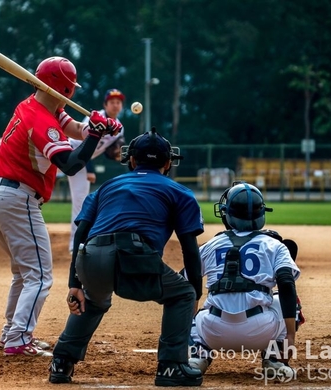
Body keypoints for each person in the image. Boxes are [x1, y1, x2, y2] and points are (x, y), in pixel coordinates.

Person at [0, 56, 122, 358]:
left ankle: (11, 333)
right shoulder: (41, 120)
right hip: (15, 199)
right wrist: (94, 135)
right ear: (66, 90)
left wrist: (97, 128)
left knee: (24, 272)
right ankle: (18, 339)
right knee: (40, 275)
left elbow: (71, 127)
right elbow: (70, 165)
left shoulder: (36, 105)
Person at [48, 128, 205, 387]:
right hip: (135, 255)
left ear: (131, 160)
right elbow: (190, 249)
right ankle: (171, 367)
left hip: (91, 257)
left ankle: (61, 362)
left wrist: (74, 284)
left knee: (92, 300)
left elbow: (81, 235)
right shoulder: (179, 192)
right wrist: (195, 293)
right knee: (182, 294)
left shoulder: (107, 187)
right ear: (167, 163)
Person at [186, 182, 304, 377]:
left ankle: (198, 355)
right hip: (261, 332)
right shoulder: (274, 245)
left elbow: (187, 282)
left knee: (190, 308)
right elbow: (286, 284)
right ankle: (274, 359)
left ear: (227, 213)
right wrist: (291, 336)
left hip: (213, 332)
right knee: (289, 302)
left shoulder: (210, 245)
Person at [67, 89, 126, 253]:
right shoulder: (94, 118)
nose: (115, 105)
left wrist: (116, 153)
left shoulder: (119, 128)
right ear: (105, 104)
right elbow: (85, 143)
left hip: (81, 163)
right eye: (112, 102)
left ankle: (74, 244)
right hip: (67, 152)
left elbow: (109, 150)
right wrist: (90, 169)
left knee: (80, 201)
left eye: (118, 102)